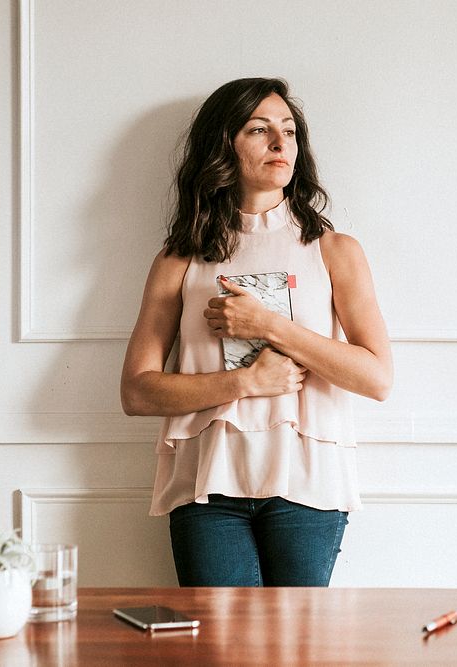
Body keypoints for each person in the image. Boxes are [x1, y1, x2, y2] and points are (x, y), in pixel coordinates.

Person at [121, 78, 392, 587]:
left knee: (297, 655)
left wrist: (269, 325)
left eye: (289, 131)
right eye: (259, 129)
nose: (279, 143)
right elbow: (136, 391)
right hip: (207, 487)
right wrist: (245, 383)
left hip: (307, 483)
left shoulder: (334, 250)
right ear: (225, 144)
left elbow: (376, 377)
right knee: (219, 656)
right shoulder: (179, 258)